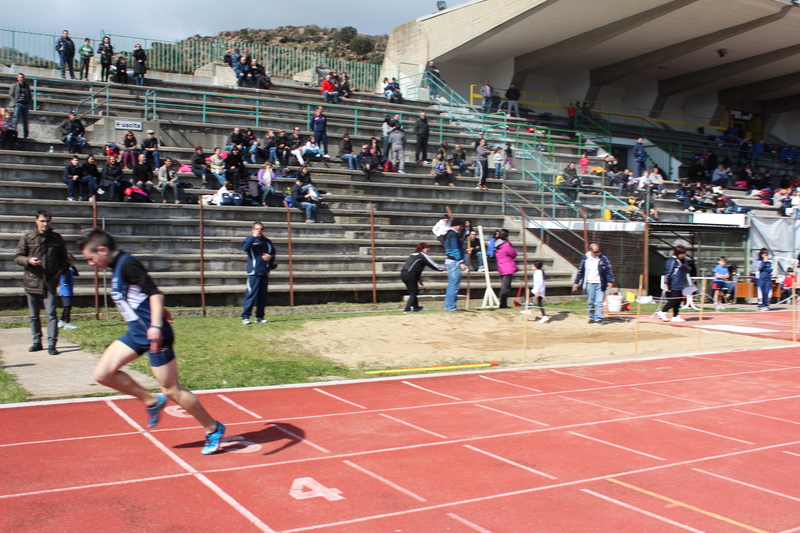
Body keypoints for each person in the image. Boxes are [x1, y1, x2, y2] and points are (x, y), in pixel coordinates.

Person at [76, 228, 225, 454]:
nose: (90, 264)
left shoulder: (127, 264)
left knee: (172, 390)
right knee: (103, 374)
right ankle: (151, 401)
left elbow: (155, 293)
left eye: (90, 258)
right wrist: (156, 313)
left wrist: (156, 325)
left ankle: (212, 428)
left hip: (156, 336)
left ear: (102, 250)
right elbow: (141, 294)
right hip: (137, 333)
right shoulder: (116, 267)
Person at [15, 210, 69, 355]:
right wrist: (28, 260)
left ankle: (52, 344)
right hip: (32, 281)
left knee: (51, 314)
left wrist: (58, 273)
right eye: (42, 221)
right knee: (34, 315)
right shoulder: (28, 237)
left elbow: (64, 257)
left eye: (48, 221)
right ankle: (36, 342)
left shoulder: (56, 238)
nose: (45, 224)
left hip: (50, 281)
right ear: (36, 221)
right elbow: (18, 256)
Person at [241, 222, 275, 324]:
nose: (259, 230)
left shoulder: (267, 242)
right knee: (251, 295)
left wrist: (270, 258)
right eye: (257, 229)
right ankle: (245, 317)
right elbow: (244, 248)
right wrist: (253, 237)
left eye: (261, 229)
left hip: (264, 272)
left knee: (262, 297)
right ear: (253, 230)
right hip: (253, 273)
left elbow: (273, 255)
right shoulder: (249, 240)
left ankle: (259, 317)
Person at [572, 243, 615, 324]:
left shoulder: (603, 259)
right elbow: (580, 271)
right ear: (590, 250)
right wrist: (576, 283)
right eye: (595, 252)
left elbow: (608, 270)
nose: (597, 253)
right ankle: (591, 317)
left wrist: (610, 281)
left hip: (600, 283)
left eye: (598, 251)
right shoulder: (585, 259)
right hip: (590, 283)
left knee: (599, 301)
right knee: (590, 302)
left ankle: (598, 318)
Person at [400, 243, 444, 313]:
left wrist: (418, 279)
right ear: (422, 248)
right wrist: (445, 268)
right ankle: (407, 309)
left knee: (413, 291)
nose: (428, 249)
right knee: (413, 292)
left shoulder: (413, 255)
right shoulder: (422, 255)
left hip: (403, 274)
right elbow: (433, 265)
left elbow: (414, 267)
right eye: (427, 248)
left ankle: (416, 307)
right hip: (411, 275)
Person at [657, 245, 690, 322]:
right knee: (675, 299)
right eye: (681, 254)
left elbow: (687, 269)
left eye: (684, 253)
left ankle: (675, 315)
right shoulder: (672, 261)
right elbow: (668, 272)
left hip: (681, 282)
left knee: (679, 300)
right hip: (674, 282)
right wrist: (666, 282)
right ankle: (663, 311)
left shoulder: (683, 260)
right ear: (676, 253)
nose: (683, 255)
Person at [443, 218, 467, 311]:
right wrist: (461, 262)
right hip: (454, 262)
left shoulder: (448, 234)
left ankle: (448, 305)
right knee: (454, 286)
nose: (461, 228)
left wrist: (464, 251)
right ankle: (451, 306)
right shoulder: (453, 235)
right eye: (461, 226)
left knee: (451, 285)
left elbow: (452, 249)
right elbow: (455, 249)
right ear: (457, 226)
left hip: (450, 260)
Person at [494, 229, 518, 308]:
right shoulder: (506, 245)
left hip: (501, 266)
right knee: (506, 287)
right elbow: (513, 254)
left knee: (504, 286)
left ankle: (503, 303)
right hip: (508, 267)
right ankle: (503, 304)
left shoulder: (497, 245)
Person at [58, 255, 79, 330]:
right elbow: (63, 269)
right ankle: (67, 323)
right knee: (67, 307)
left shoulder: (70, 271)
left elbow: (76, 274)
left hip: (69, 291)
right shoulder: (64, 271)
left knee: (67, 307)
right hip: (65, 291)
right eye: (71, 262)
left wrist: (73, 266)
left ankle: (61, 321)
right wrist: (67, 264)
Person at [9, 73, 32, 139]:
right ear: (18, 78)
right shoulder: (14, 85)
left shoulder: (27, 86)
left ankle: (26, 135)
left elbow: (29, 95)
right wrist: (15, 102)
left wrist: (29, 102)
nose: (22, 78)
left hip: (25, 104)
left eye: (22, 77)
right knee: (15, 120)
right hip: (18, 104)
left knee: (25, 121)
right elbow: (11, 94)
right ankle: (13, 134)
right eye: (20, 77)